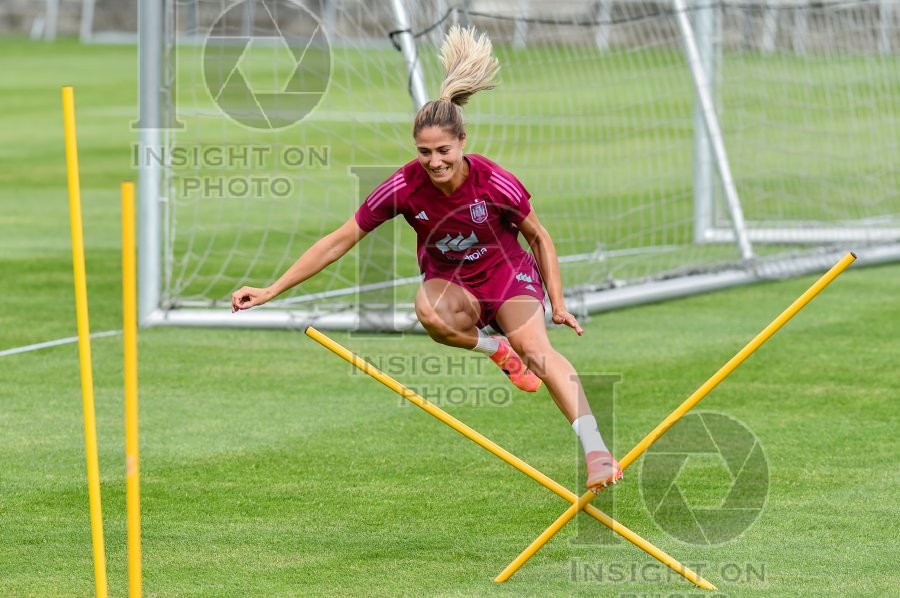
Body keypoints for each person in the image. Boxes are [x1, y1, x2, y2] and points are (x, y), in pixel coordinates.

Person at [231, 25, 622, 491]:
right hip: (454, 290)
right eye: (424, 152)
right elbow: (341, 239)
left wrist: (557, 303)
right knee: (427, 311)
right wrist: (272, 289)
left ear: (462, 143)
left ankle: (597, 452)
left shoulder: (494, 181)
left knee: (538, 353)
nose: (434, 162)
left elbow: (540, 239)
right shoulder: (403, 186)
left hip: (507, 277)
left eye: (443, 151)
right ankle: (493, 348)